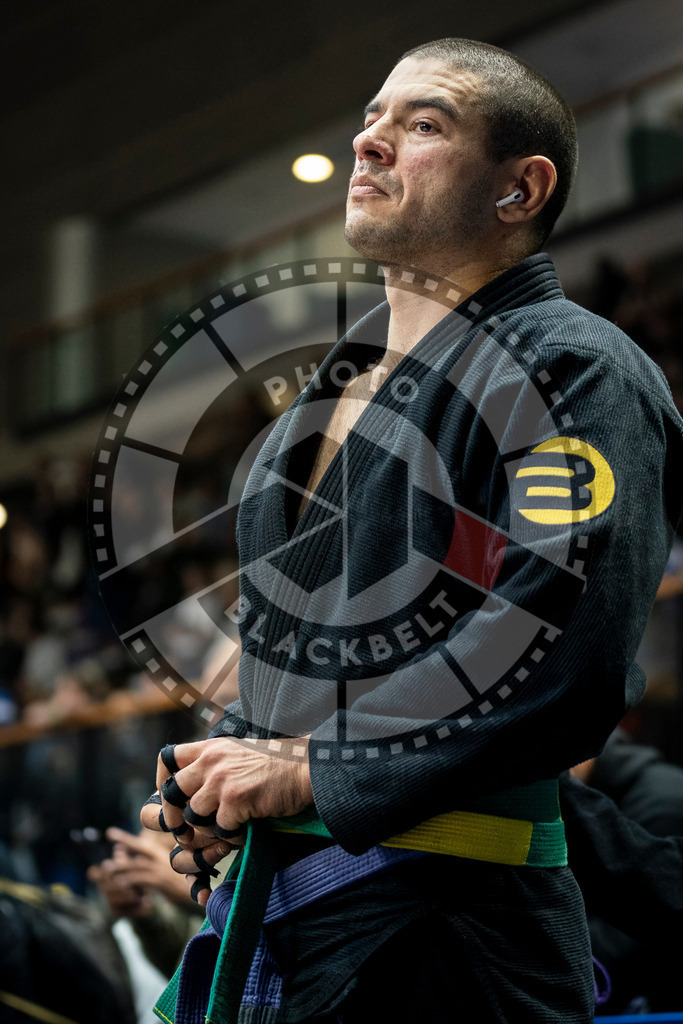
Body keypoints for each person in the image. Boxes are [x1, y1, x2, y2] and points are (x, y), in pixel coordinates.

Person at [141, 38, 683, 1023]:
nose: (369, 141)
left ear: (519, 189)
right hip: (287, 922)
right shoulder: (302, 424)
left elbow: (561, 647)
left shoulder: (571, 371)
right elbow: (291, 671)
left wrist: (315, 770)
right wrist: (220, 773)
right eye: (372, 118)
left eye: (422, 124)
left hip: (458, 936)